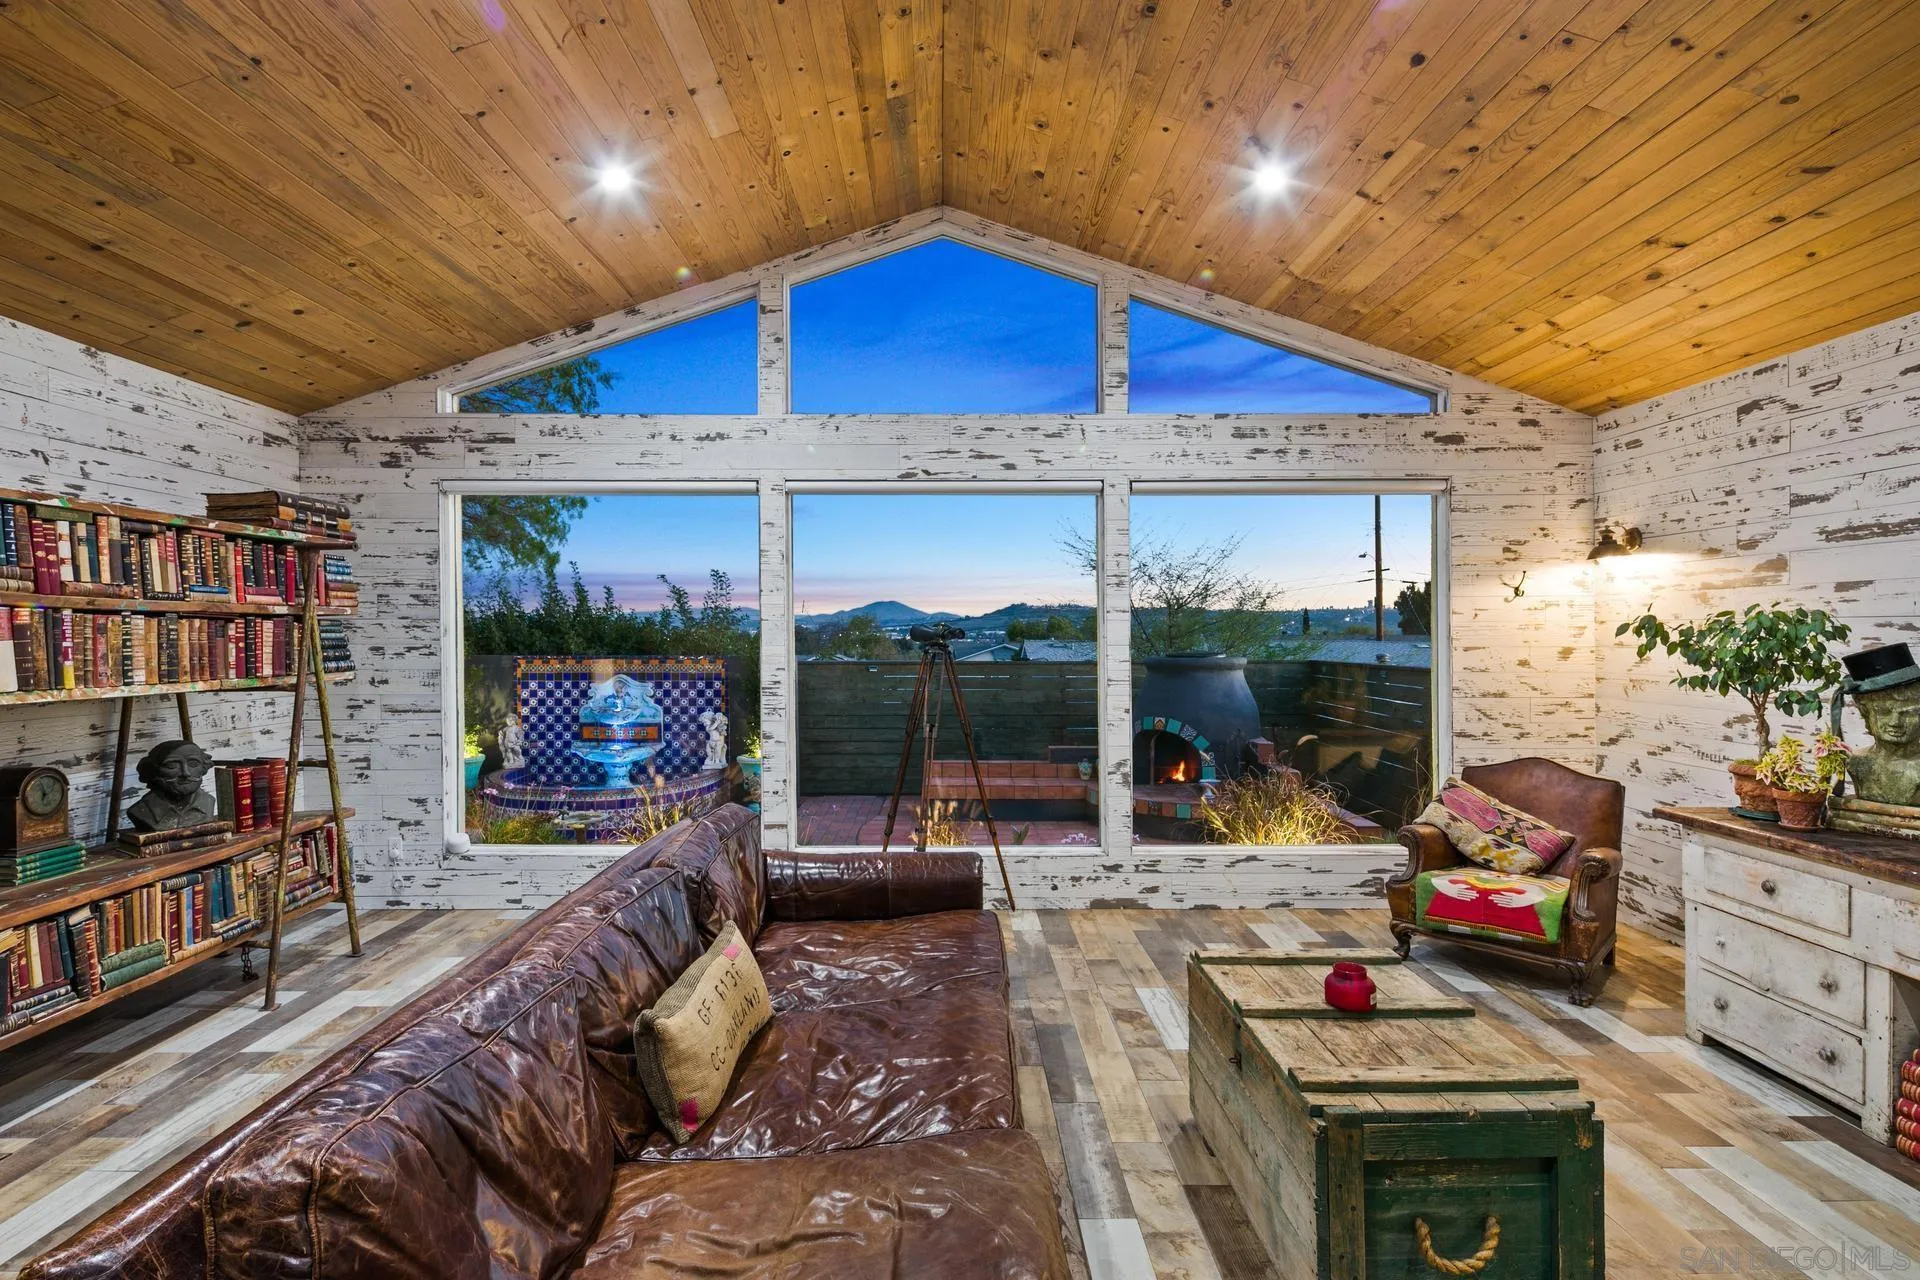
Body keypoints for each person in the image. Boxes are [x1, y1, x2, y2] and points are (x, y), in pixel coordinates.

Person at [126, 740, 219, 832]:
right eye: (171, 765)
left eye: (193, 764)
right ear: (153, 770)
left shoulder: (208, 802)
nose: (185, 773)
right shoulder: (140, 811)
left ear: (204, 767)